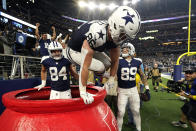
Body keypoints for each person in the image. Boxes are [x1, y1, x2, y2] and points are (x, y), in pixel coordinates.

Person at [66, 6, 141, 104]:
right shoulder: (96, 35)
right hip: (73, 51)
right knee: (101, 67)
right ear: (115, 25)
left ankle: (102, 73)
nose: (123, 38)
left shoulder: (113, 35)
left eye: (126, 36)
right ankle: (101, 73)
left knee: (107, 63)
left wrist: (111, 79)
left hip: (92, 48)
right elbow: (85, 66)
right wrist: (83, 92)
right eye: (123, 33)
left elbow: (115, 61)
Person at [117, 42, 150, 131]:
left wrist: (147, 88)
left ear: (131, 49)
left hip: (134, 90)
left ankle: (139, 129)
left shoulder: (137, 61)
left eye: (126, 48)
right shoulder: (118, 60)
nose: (123, 50)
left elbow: (142, 75)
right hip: (122, 90)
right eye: (123, 48)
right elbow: (111, 73)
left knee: (136, 111)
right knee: (121, 112)